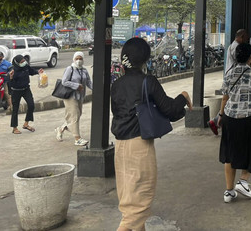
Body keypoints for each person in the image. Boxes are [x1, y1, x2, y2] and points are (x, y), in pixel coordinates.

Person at [111, 37, 192, 231]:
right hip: (139, 147)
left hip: (120, 148)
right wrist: (183, 97)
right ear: (145, 59)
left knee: (129, 201)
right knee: (139, 205)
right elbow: (171, 111)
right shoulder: (148, 82)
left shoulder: (116, 85)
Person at [218, 42, 251, 203]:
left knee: (230, 154)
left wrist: (221, 115)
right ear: (250, 58)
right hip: (249, 118)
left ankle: (229, 191)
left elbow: (225, 97)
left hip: (230, 118)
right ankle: (243, 181)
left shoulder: (228, 74)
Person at [54, 51, 92, 146]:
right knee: (74, 116)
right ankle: (77, 138)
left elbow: (88, 82)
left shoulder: (84, 70)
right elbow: (64, 81)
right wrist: (76, 85)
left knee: (78, 115)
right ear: (73, 59)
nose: (78, 60)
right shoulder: (70, 69)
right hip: (70, 96)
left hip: (80, 96)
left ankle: (61, 128)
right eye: (77, 58)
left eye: (80, 58)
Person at [8, 55, 43, 134]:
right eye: (21, 62)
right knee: (15, 109)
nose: (23, 63)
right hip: (16, 91)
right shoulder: (12, 70)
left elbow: (31, 71)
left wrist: (38, 72)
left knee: (31, 105)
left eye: (24, 61)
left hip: (26, 89)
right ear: (17, 63)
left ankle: (26, 123)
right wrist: (10, 77)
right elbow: (10, 84)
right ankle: (14, 128)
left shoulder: (26, 66)